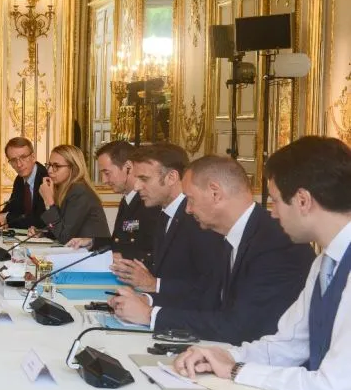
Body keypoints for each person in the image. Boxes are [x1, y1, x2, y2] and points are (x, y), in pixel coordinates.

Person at [175, 137, 351, 390]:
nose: (272, 211)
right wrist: (225, 355)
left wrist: (237, 370)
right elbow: (287, 346)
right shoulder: (323, 263)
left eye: (277, 200)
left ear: (303, 201)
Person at [110, 155, 314, 344]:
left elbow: (242, 326)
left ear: (215, 193)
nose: (188, 209)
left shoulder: (276, 242)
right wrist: (147, 300)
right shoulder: (233, 234)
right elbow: (206, 296)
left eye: (190, 199)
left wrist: (150, 315)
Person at [110, 143, 223, 310]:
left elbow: (210, 288)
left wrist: (154, 285)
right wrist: (145, 298)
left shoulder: (197, 218)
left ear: (171, 177)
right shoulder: (164, 214)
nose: (137, 186)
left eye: (144, 179)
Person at [83, 140, 160, 263]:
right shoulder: (127, 200)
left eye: (107, 173)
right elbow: (119, 242)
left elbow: (152, 250)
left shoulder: (149, 202)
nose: (104, 180)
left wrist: (124, 257)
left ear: (127, 167)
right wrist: (93, 242)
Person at [30, 144, 110, 245]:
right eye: (49, 165)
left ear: (73, 168)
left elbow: (65, 237)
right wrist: (43, 233)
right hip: (78, 252)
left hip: (94, 255)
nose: (49, 170)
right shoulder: (64, 189)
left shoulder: (80, 191)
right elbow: (62, 228)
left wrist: (49, 201)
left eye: (56, 166)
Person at [0, 137, 47, 229]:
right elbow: (12, 208)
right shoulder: (19, 180)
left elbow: (41, 220)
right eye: (13, 160)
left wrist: (6, 218)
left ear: (33, 157)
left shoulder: (46, 178)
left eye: (23, 157)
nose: (19, 164)